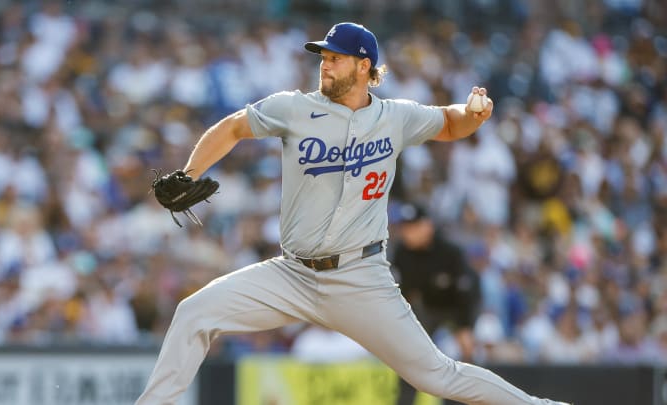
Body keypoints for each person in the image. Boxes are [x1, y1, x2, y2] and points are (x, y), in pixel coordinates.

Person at [135, 22, 570, 405]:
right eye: (323, 57)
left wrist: (474, 114)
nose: (324, 64)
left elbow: (451, 123)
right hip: (292, 275)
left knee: (435, 375)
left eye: (335, 58)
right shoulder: (295, 107)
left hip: (360, 277)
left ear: (364, 66)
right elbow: (232, 127)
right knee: (194, 312)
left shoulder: (394, 116)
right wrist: (189, 172)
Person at [391, 202, 481, 405]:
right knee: (410, 357)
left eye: (412, 227)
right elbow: (400, 291)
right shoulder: (402, 253)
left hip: (457, 309)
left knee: (463, 355)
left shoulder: (450, 252)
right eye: (405, 227)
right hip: (427, 309)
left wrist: (465, 327)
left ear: (427, 226)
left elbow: (466, 292)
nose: (407, 232)